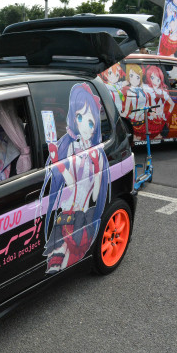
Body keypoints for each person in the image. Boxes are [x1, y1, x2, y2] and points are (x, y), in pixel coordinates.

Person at [39, 83, 110, 274]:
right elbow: (70, 182)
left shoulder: (97, 155)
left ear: (96, 125)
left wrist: (96, 168)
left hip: (82, 214)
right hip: (66, 212)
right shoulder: (71, 147)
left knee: (68, 260)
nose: (85, 126)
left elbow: (95, 194)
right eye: (79, 117)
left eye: (90, 122)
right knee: (55, 261)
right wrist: (57, 160)